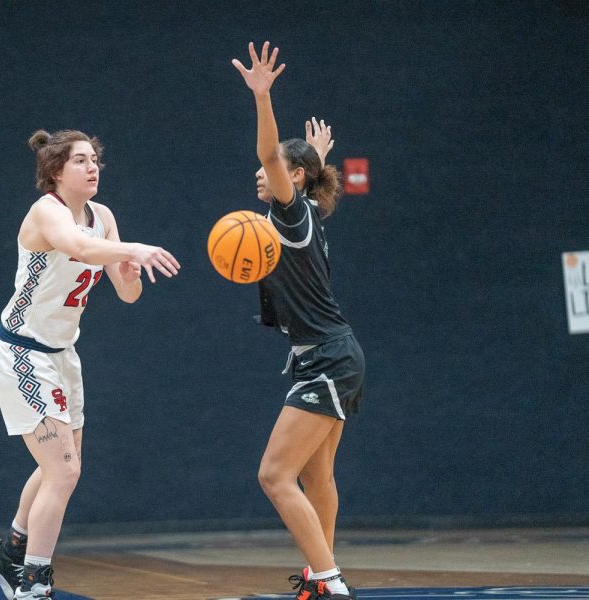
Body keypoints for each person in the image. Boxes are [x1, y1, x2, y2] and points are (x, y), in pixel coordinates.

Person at [0, 129, 180, 600]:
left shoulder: (103, 216)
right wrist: (132, 250)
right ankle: (34, 581)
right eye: (81, 161)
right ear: (55, 172)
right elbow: (81, 248)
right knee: (64, 471)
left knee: (63, 468)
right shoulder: (46, 211)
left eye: (95, 160)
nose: (93, 168)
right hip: (22, 351)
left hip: (63, 354)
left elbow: (127, 294)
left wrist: (129, 273)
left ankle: (9, 552)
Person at [232, 42, 364, 600]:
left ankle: (329, 582)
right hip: (330, 354)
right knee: (316, 476)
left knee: (272, 475)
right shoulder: (296, 213)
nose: (263, 172)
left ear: (297, 177)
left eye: (279, 169)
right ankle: (319, 576)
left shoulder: (291, 213)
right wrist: (309, 153)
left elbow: (269, 156)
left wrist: (263, 97)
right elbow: (282, 164)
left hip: (329, 359)